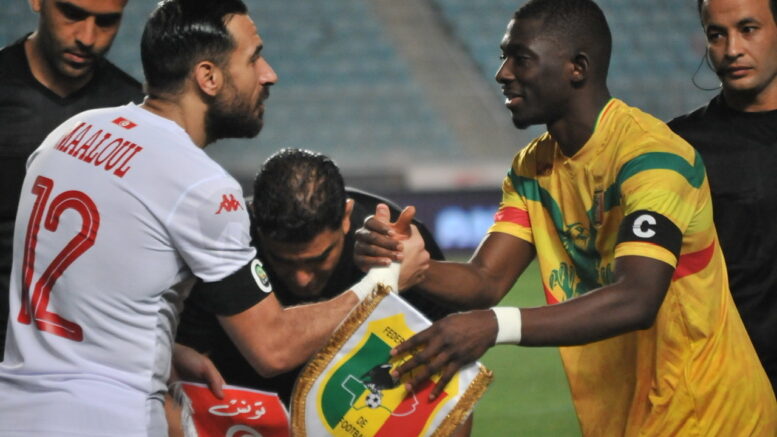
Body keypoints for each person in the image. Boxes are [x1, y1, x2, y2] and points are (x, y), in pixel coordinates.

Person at [0, 1, 424, 435]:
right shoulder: (199, 184)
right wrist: (385, 282)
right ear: (208, 77)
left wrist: (163, 349)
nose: (268, 74)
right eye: (254, 58)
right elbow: (273, 347)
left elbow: (88, 288)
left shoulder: (72, 132)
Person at [355, 0, 777, 435]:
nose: (502, 73)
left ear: (577, 68)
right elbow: (484, 279)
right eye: (504, 57)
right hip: (630, 418)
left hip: (714, 416)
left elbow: (637, 297)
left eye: (520, 59)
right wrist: (409, 262)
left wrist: (496, 326)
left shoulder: (653, 156)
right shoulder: (532, 167)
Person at [175, 148, 472, 435]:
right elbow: (177, 379)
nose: (302, 280)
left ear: (346, 216)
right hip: (248, 423)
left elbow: (451, 382)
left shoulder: (395, 243)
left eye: (318, 260)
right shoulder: (227, 246)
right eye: (283, 261)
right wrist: (381, 286)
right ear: (253, 219)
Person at [0, 0, 144, 356]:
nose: (87, 37)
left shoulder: (132, 110)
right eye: (72, 14)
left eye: (106, 22)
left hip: (85, 352)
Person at [668, 0, 777, 393]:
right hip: (726, 391)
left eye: (748, 29)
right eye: (717, 34)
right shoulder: (677, 148)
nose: (732, 49)